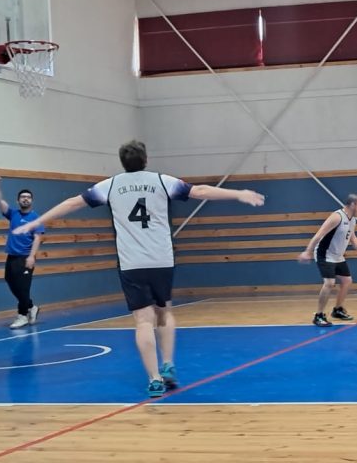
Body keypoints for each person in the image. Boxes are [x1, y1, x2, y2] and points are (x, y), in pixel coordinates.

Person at [14, 140, 265, 397]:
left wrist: (36, 222)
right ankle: (168, 364)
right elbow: (200, 191)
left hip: (132, 263)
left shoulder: (111, 185)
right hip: (161, 260)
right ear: (145, 160)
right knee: (164, 312)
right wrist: (238, 194)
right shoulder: (161, 180)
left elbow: (71, 203)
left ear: (122, 162)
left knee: (143, 321)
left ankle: (154, 379)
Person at [297, 194, 357, 327]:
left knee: (347, 281)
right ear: (352, 205)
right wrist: (307, 251)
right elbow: (319, 235)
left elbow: (353, 238)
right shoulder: (337, 217)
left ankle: (337, 310)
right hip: (325, 254)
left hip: (338, 256)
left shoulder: (352, 219)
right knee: (329, 283)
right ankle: (319, 315)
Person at [0, 175, 45, 329]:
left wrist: (31, 257)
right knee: (10, 281)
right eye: (23, 197)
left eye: (28, 197)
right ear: (18, 201)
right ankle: (31, 307)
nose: (25, 199)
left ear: (32, 201)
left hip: (25, 257)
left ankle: (22, 315)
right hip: (12, 257)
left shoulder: (36, 218)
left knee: (23, 287)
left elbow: (38, 238)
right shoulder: (13, 214)